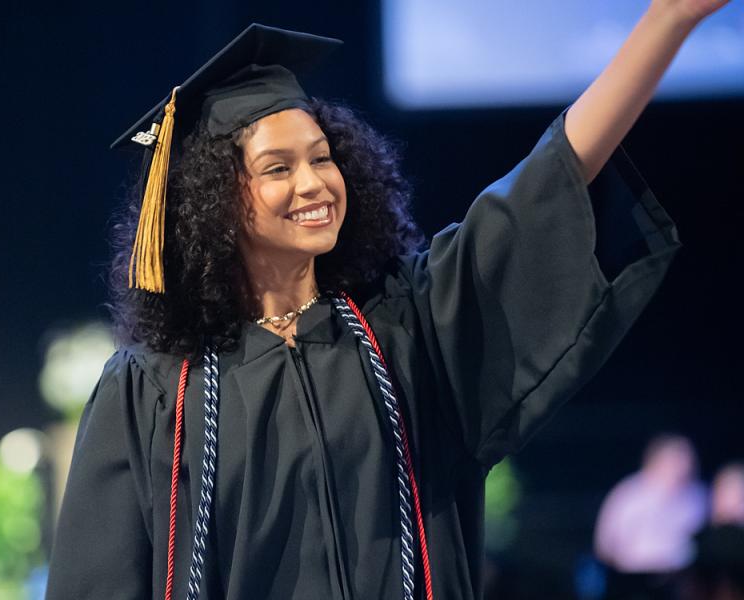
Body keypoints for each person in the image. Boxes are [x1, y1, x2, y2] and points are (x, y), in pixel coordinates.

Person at [46, 0, 729, 596]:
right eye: (278, 168)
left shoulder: (407, 330)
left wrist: (667, 19)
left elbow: (544, 188)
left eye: (322, 157)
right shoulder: (153, 393)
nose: (314, 183)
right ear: (215, 204)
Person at [593, 434, 708, 599]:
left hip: (684, 581)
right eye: (678, 460)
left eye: (688, 460)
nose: (686, 466)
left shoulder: (698, 496)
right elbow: (605, 546)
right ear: (657, 461)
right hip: (635, 581)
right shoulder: (627, 495)